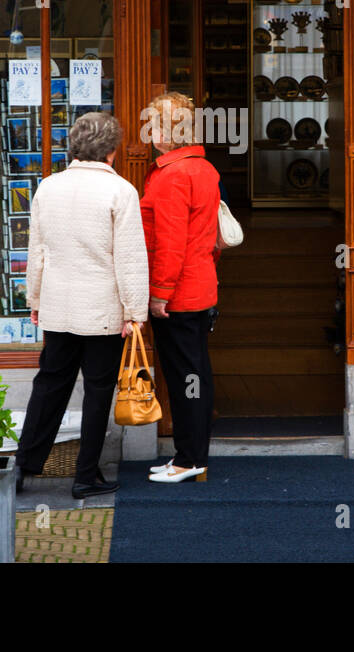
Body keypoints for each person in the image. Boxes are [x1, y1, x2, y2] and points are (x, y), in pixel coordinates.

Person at [17, 112, 149, 499]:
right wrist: (134, 312)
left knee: (49, 385)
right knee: (97, 390)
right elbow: (129, 258)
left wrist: (35, 298)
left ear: (73, 146)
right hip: (103, 309)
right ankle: (85, 475)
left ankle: (25, 465)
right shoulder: (121, 191)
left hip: (58, 304)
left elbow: (36, 251)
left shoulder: (47, 188)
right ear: (112, 151)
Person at [140, 91, 221, 484]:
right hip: (198, 285)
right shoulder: (201, 168)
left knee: (185, 376)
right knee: (195, 373)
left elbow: (170, 242)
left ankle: (190, 461)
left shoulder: (173, 175)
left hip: (180, 293)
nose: (149, 131)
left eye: (154, 124)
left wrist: (160, 293)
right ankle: (190, 456)